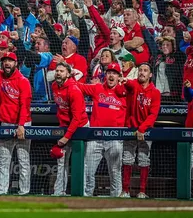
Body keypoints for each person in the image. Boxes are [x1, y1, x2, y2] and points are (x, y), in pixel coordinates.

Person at [0, 33, 33, 195]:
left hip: (23, 123)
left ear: (16, 63)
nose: (7, 63)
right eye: (4, 61)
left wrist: (21, 125)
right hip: (6, 123)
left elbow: (25, 105)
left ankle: (24, 191)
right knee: (4, 160)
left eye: (10, 61)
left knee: (23, 160)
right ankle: (1, 190)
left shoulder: (23, 81)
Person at [77, 63, 126, 197]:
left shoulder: (125, 92)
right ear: (105, 75)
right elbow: (78, 87)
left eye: (114, 73)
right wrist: (71, 75)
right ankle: (85, 198)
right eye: (109, 72)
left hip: (115, 138)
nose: (111, 75)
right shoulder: (97, 88)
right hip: (95, 137)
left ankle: (115, 200)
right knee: (87, 170)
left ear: (119, 76)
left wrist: (127, 82)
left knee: (115, 171)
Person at [120, 63, 161, 199]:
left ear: (150, 75)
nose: (142, 73)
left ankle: (142, 191)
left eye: (145, 71)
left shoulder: (155, 92)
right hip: (130, 129)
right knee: (127, 159)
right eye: (140, 70)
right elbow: (128, 84)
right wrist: (124, 80)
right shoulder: (134, 85)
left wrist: (142, 129)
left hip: (145, 131)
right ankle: (125, 191)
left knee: (144, 159)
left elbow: (153, 115)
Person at [51, 62, 89, 196]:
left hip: (80, 127)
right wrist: (63, 130)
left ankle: (83, 192)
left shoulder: (74, 90)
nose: (58, 73)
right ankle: (59, 191)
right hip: (65, 126)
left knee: (81, 162)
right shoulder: (54, 86)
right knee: (61, 159)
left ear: (68, 74)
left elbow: (77, 117)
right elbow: (60, 109)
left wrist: (66, 137)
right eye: (57, 71)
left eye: (61, 71)